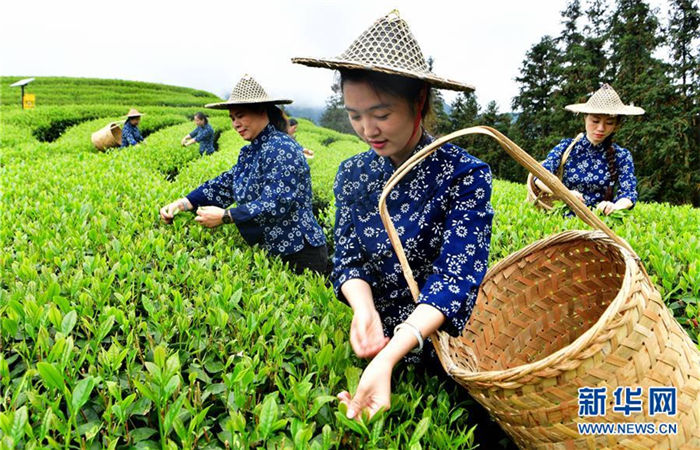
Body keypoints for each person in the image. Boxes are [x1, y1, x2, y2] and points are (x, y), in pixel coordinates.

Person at [293, 10, 493, 419]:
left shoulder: (464, 174)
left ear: (418, 101)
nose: (367, 129)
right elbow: (347, 259)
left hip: (442, 345)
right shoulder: (353, 174)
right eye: (354, 115)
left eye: (381, 114)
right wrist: (363, 308)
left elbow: (456, 277)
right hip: (376, 341)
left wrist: (393, 353)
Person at [159, 74, 329, 274]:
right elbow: (226, 184)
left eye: (240, 116)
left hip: (300, 252)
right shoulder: (251, 151)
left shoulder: (281, 147)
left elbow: (277, 201)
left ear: (262, 111)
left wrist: (226, 216)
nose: (235, 124)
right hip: (272, 250)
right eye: (232, 118)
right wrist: (183, 203)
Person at [534, 84, 644, 215]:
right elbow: (540, 177)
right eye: (595, 121)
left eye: (609, 123)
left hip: (599, 221)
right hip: (562, 218)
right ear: (585, 118)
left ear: (616, 125)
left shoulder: (621, 156)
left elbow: (629, 193)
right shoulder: (566, 147)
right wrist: (566, 193)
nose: (601, 128)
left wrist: (614, 207)